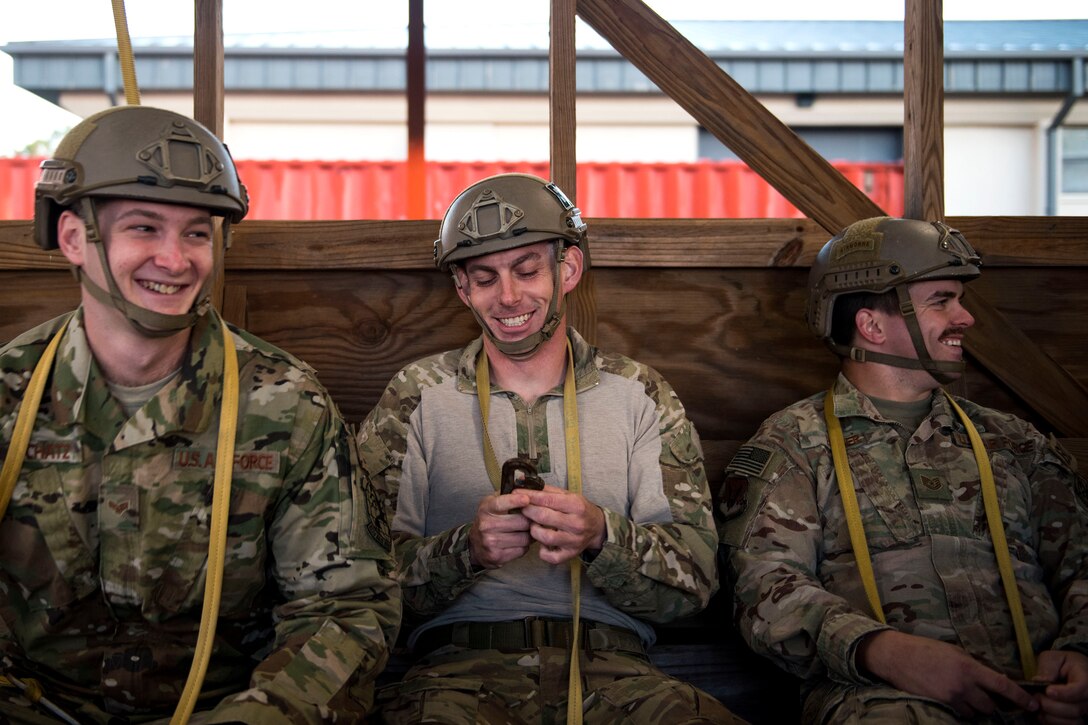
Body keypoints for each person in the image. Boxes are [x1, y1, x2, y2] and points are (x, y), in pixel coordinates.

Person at [0, 105, 400, 723]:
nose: (176, 259)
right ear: (74, 238)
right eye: (143, 228)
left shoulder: (285, 402)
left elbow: (344, 610)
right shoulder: (8, 393)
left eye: (196, 233)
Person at [357, 173, 740, 723]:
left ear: (568, 270)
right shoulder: (416, 396)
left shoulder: (639, 393)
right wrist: (467, 549)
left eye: (528, 270)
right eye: (485, 278)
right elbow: (364, 578)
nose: (509, 296)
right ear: (462, 289)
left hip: (617, 672)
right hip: (456, 677)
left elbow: (696, 582)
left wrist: (601, 536)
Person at [721, 216, 1088, 723]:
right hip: (884, 699)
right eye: (942, 300)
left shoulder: (1013, 442)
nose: (966, 319)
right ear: (871, 325)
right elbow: (763, 589)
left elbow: (1082, 562)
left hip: (1041, 697)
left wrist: (1080, 651)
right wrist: (885, 652)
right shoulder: (794, 446)